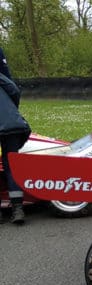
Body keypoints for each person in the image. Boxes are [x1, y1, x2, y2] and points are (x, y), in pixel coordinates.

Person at [0, 71, 31, 224]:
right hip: (12, 125)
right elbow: (14, 90)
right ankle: (18, 208)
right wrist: (10, 110)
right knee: (11, 165)